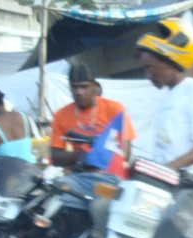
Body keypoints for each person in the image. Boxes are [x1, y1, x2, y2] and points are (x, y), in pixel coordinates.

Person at [136, 18, 193, 178]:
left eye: (151, 68)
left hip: (191, 184)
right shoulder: (168, 98)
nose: (148, 75)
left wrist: (171, 167)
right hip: (169, 182)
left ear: (169, 63)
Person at [50, 64, 136, 214]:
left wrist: (99, 158)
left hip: (109, 176)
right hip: (79, 176)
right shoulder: (61, 115)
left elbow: (126, 153)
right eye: (74, 87)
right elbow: (55, 156)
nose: (79, 92)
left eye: (84, 87)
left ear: (95, 87)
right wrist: (80, 156)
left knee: (100, 210)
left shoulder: (115, 109)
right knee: (54, 198)